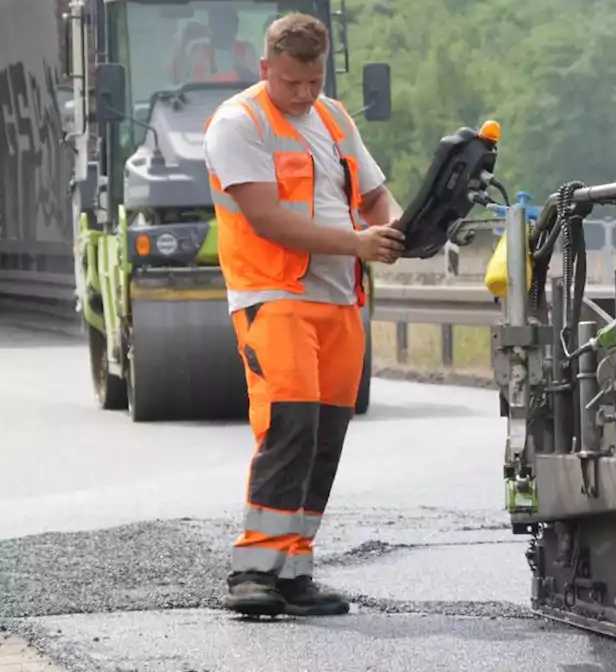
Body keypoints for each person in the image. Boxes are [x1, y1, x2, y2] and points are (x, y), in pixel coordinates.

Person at [202, 11, 405, 617]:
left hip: (339, 300)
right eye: (291, 82)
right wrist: (359, 244)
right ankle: (252, 572)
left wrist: (394, 227)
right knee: (288, 426)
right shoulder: (239, 124)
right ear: (266, 69)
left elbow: (372, 195)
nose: (303, 94)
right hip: (275, 296)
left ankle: (294, 570)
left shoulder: (334, 118)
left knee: (324, 438)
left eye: (313, 81)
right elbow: (268, 219)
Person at [189, 6, 258, 82]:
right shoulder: (198, 51)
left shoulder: (247, 51)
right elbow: (178, 80)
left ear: (236, 28)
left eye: (227, 24)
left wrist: (243, 70)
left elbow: (255, 82)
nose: (223, 29)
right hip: (199, 93)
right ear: (211, 26)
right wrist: (185, 40)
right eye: (219, 23)